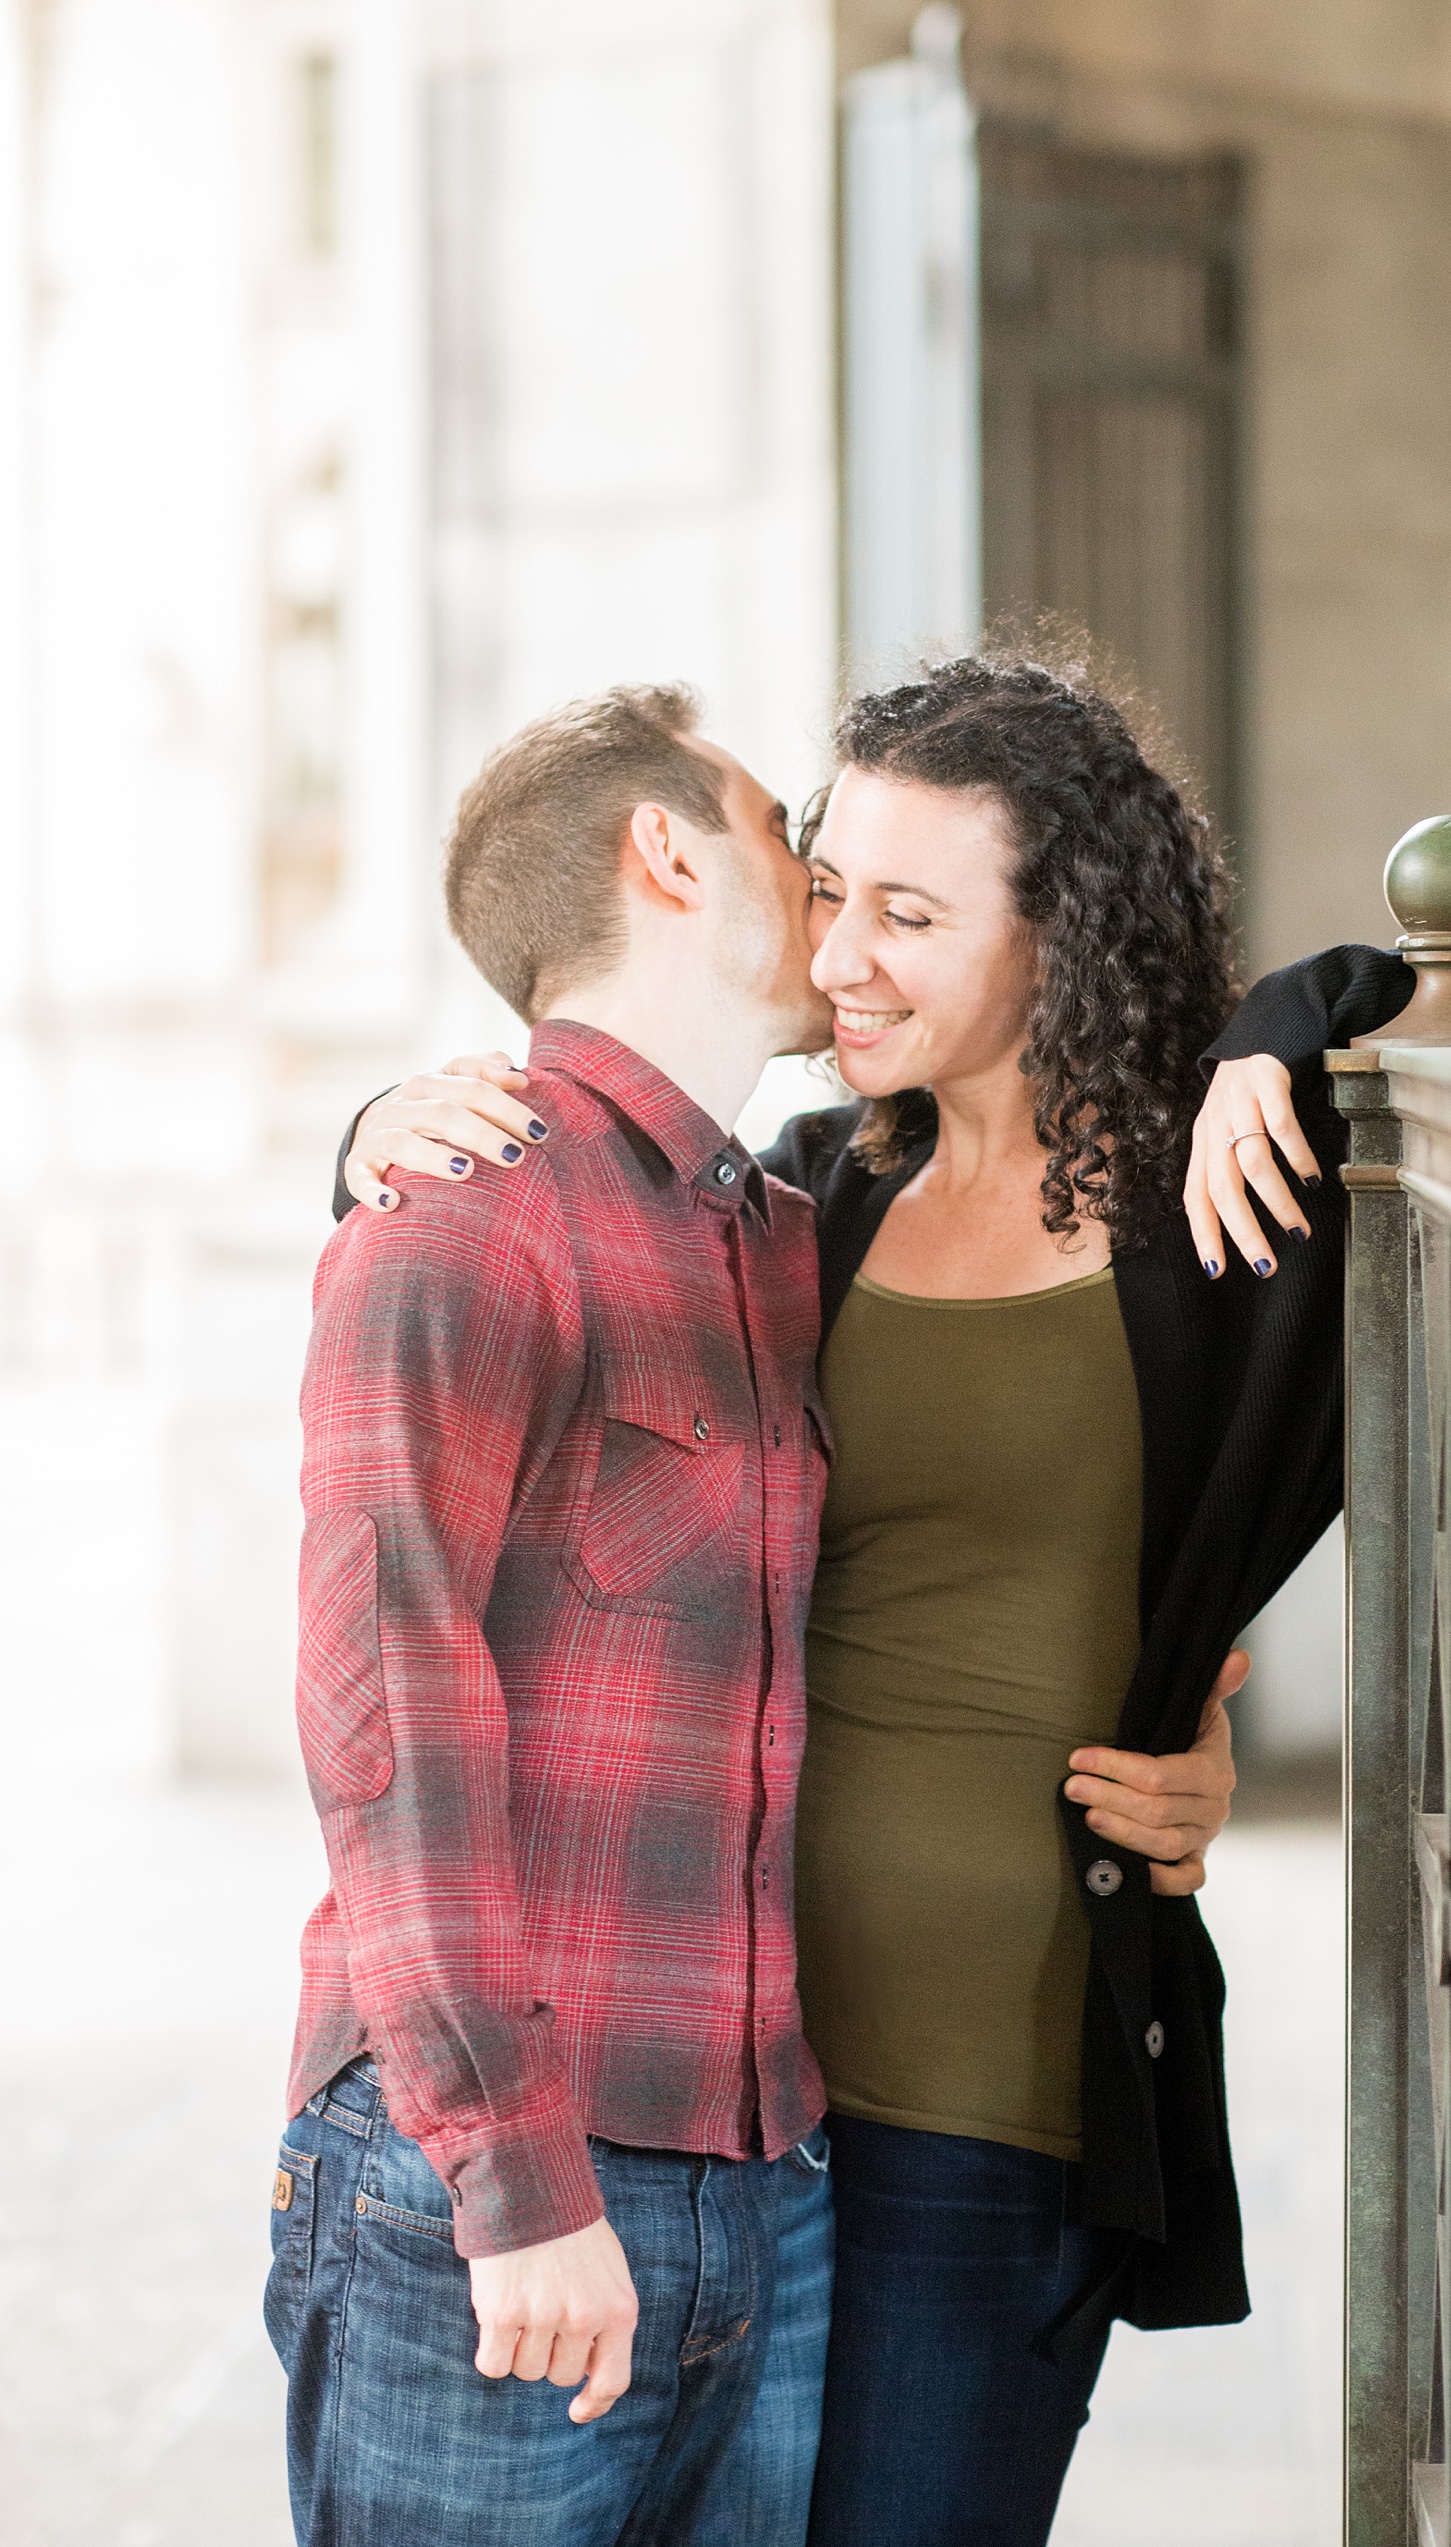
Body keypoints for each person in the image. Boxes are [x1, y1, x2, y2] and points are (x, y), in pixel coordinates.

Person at [337, 651, 1451, 2545]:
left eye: (908, 910)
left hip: (1000, 2103)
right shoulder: (808, 1205)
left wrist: (1310, 1011)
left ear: (1062, 936)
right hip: (744, 2109)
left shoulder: (1229, 1208)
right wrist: (380, 1134)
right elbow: (528, 1275)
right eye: (826, 891)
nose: (843, 953)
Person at [271, 686, 844, 2547]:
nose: (822, 870)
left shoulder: (774, 1233)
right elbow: (387, 1726)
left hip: (760, 2173)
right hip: (488, 2184)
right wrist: (516, 2185)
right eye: (780, 824)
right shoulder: (464, 1217)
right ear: (669, 852)